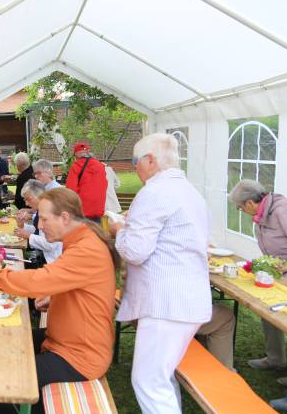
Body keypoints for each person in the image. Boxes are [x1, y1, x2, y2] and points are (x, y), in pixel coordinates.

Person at [0, 187, 118, 414]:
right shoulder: (82, 239)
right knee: (3, 341)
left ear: (65, 217)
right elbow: (77, 287)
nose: (39, 226)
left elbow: (38, 281)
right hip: (65, 341)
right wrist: (56, 298)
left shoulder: (87, 249)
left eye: (44, 219)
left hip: (79, 355)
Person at [109, 133, 212, 414]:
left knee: (148, 381)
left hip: (167, 301)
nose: (134, 168)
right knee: (161, 375)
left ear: (151, 160)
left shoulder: (154, 191)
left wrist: (119, 231)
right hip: (186, 297)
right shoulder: (189, 190)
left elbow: (134, 251)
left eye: (135, 161)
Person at [229, 179, 287, 410]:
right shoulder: (263, 216)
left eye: (240, 207)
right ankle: (278, 362)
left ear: (251, 202)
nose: (241, 212)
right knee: (269, 310)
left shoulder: (284, 211)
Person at [14, 180, 62, 264]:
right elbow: (38, 231)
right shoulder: (41, 210)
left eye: (28, 199)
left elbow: (51, 245)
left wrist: (28, 236)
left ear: (39, 196)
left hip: (51, 261)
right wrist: (22, 226)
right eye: (25, 200)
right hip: (41, 255)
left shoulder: (51, 212)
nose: (26, 203)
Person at [66, 142, 107, 221]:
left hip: (82, 211)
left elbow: (71, 190)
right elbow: (104, 185)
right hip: (98, 209)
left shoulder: (76, 166)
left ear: (76, 154)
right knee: (96, 232)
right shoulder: (100, 165)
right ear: (87, 152)